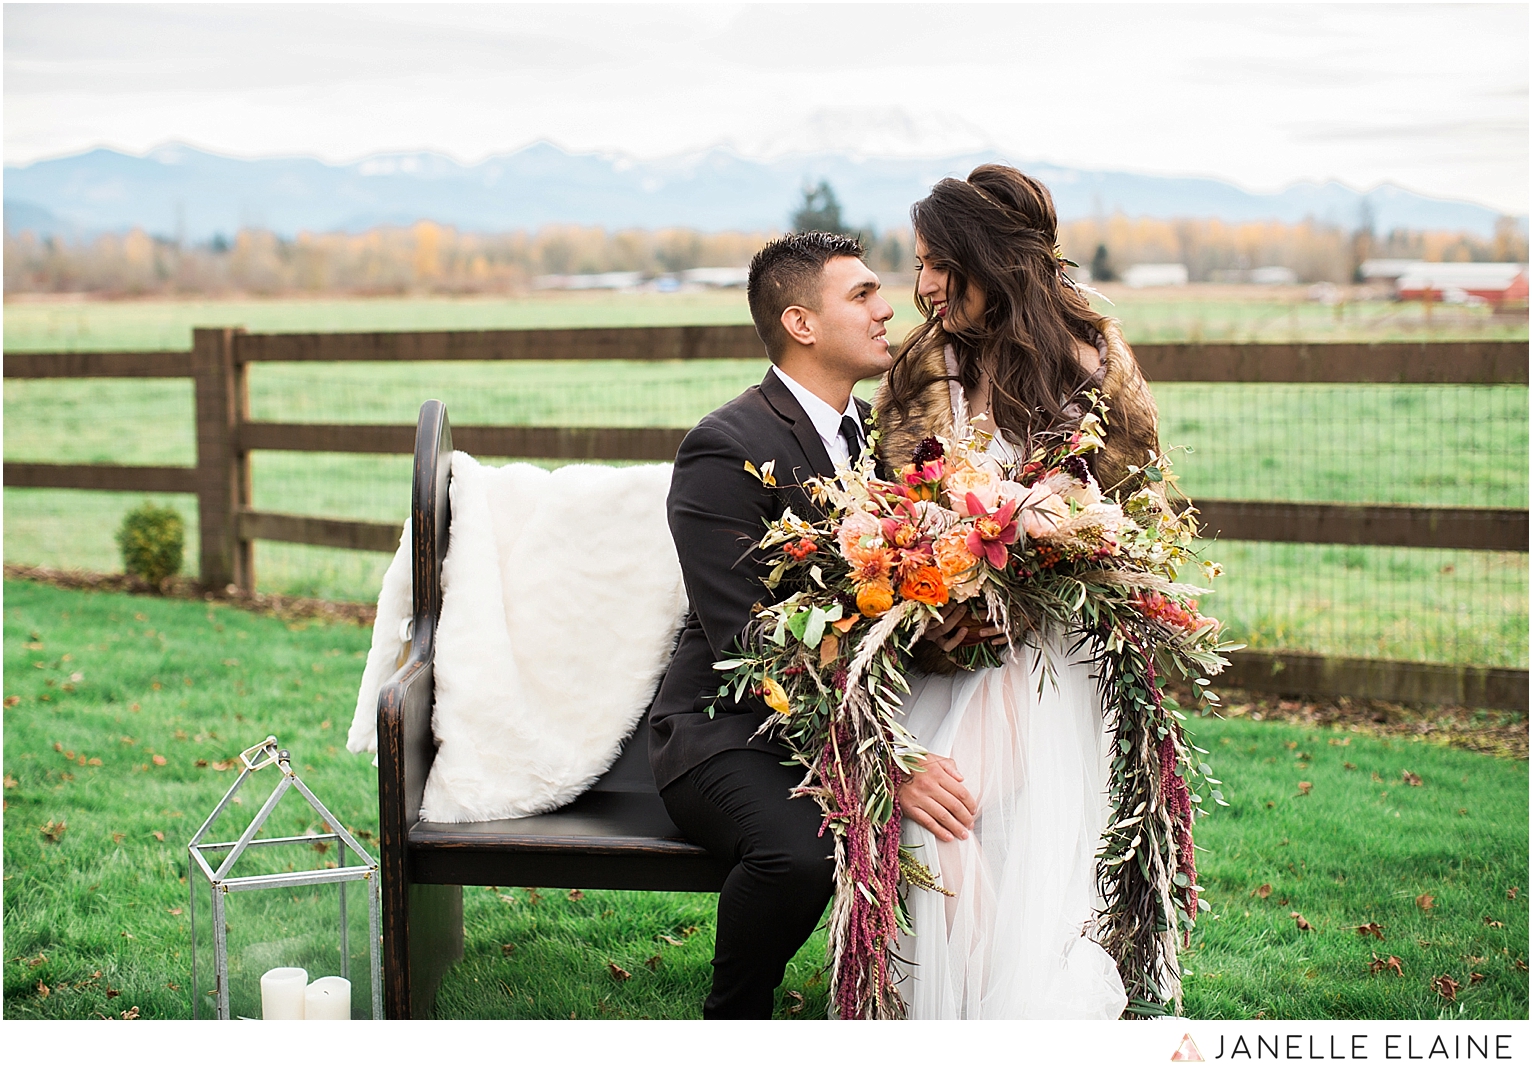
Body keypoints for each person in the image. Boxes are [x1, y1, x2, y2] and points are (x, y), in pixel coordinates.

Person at [874, 164, 1166, 1019]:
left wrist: (1061, 532)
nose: (922, 284)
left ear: (990, 260)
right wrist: (943, 585)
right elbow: (898, 513)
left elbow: (1135, 510)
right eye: (918, 261)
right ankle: (994, 1010)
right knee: (940, 825)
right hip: (952, 637)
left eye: (939, 263)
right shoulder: (921, 370)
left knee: (989, 829)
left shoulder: (1092, 359)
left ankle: (1012, 1009)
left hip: (1050, 650)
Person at [649, 231, 896, 1019]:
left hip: (850, 707)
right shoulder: (726, 447)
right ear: (802, 323)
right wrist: (880, 747)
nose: (887, 308)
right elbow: (749, 640)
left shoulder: (875, 442)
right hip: (728, 729)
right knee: (800, 855)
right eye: (861, 295)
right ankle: (735, 1018)